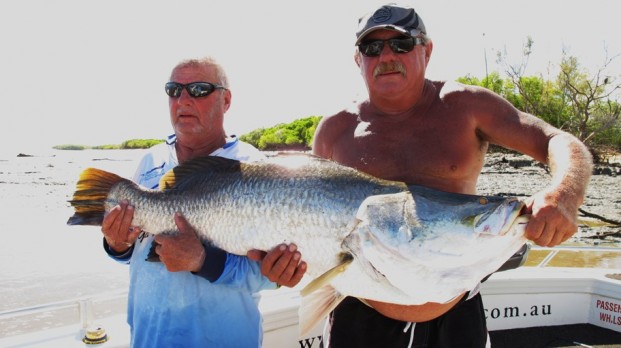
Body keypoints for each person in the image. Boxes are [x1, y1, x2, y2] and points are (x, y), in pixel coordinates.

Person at [306, 3, 593, 348]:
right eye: (371, 48)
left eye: (400, 44)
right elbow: (309, 222)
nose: (385, 56)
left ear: (426, 50)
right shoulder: (335, 131)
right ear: (358, 60)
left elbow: (556, 140)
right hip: (359, 314)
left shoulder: (465, 106)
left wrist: (564, 193)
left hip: (457, 317)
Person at [100, 56, 303, 348]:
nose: (183, 99)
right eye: (173, 90)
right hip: (148, 339)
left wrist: (202, 261)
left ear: (226, 100)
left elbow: (269, 275)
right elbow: (134, 251)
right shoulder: (150, 160)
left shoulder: (253, 168)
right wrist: (117, 244)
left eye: (198, 89)